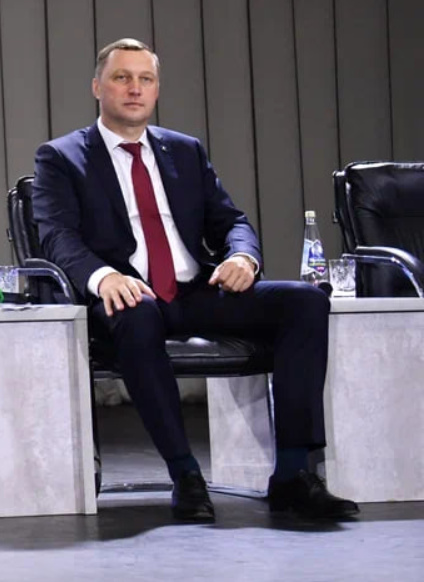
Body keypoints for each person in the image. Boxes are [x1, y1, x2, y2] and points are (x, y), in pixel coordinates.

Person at [32, 39, 360, 522]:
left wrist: (243, 256)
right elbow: (57, 236)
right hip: (127, 295)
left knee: (305, 301)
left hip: (195, 291)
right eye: (122, 78)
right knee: (138, 312)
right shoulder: (61, 157)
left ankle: (293, 475)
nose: (135, 88)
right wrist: (103, 277)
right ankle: (185, 475)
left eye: (145, 79)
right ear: (97, 87)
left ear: (156, 89)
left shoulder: (184, 150)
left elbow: (231, 220)